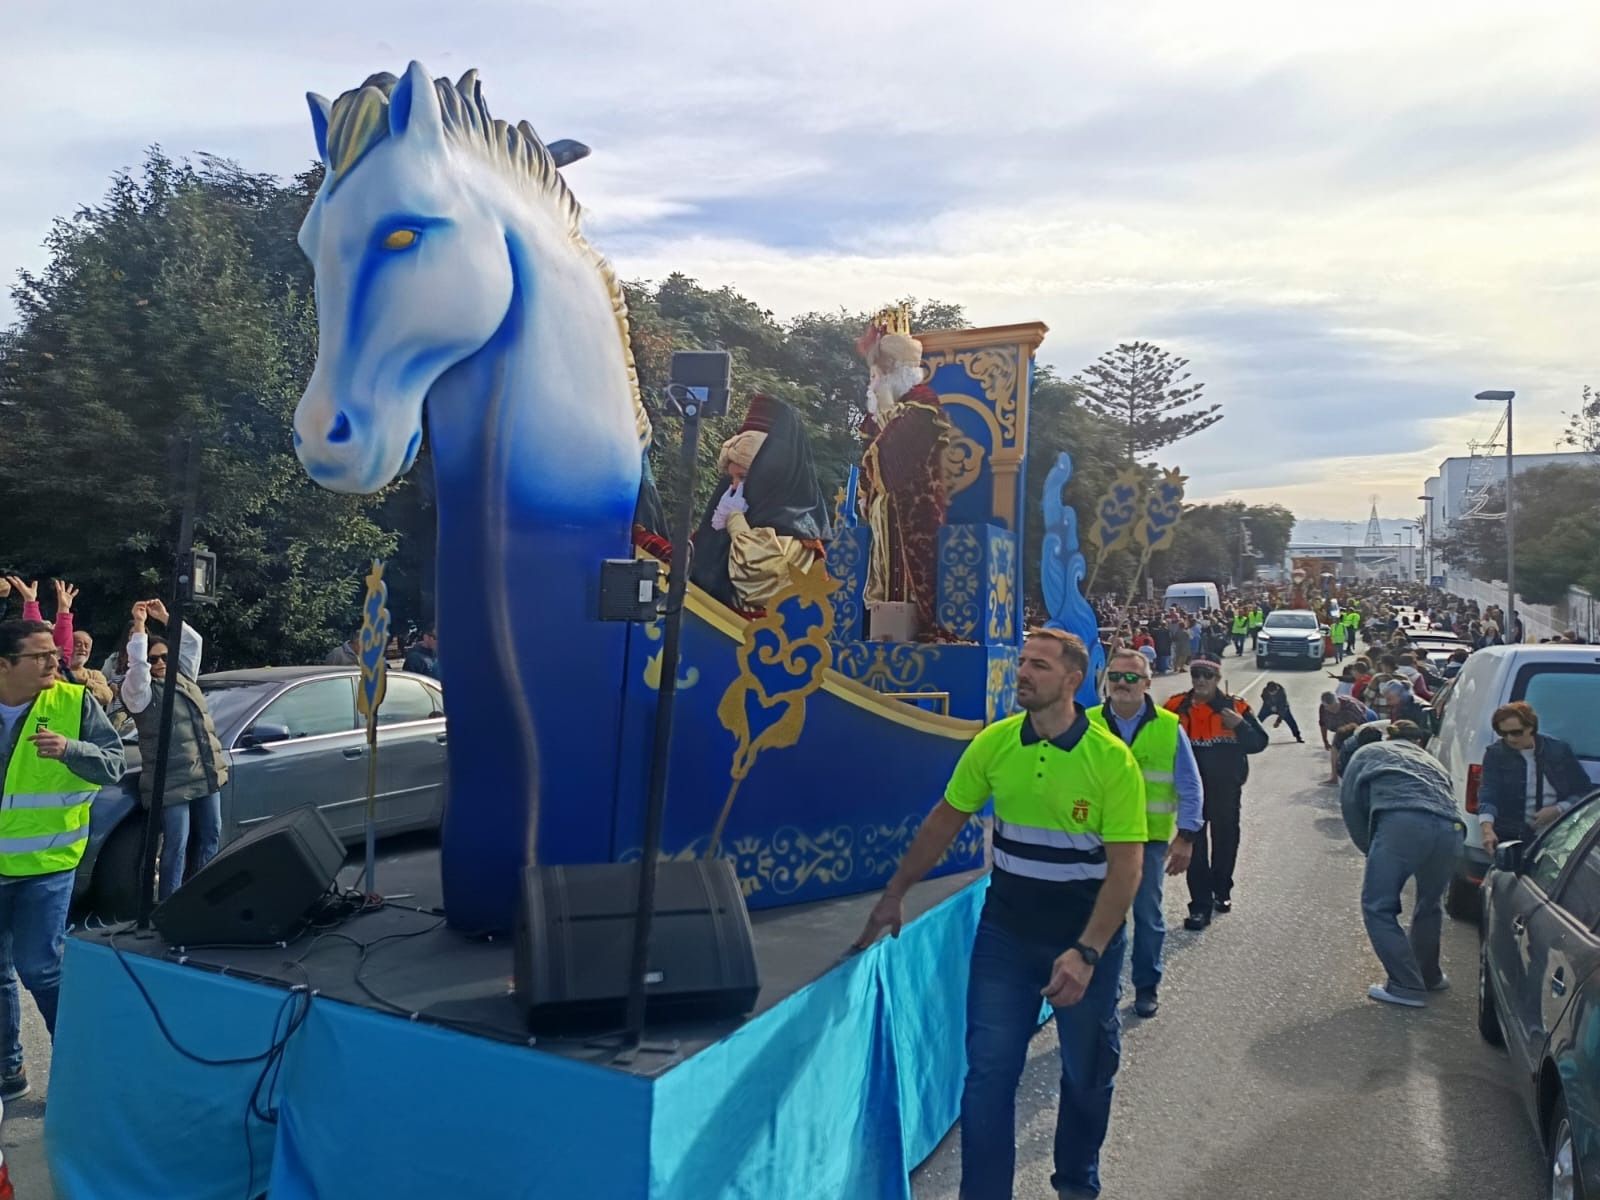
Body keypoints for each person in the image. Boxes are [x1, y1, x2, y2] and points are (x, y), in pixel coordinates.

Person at [853, 630, 1146, 1200]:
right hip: (1007, 933)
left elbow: (1126, 871)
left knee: (1086, 1074)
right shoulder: (995, 743)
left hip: (1086, 937)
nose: (1023, 673)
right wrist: (895, 893)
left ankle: (1076, 1185)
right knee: (987, 1079)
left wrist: (1087, 953)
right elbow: (944, 819)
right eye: (1022, 663)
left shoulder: (1111, 760)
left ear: (1072, 681)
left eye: (1038, 665)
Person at [0, 617, 124, 1099]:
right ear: (6, 664)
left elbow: (115, 764)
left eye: (54, 652)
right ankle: (9, 1070)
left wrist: (70, 750)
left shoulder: (73, 702)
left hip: (47, 867)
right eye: (40, 655)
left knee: (41, 967)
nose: (56, 660)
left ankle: (80, 1067)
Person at [1087, 649, 1203, 1018]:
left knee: (1147, 917)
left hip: (1146, 842)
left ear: (1147, 683)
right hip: (1093, 839)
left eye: (1132, 678)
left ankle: (1146, 986)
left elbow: (1190, 784)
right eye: (1116, 676)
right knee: (1099, 916)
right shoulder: (1086, 723)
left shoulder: (1169, 726)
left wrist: (1186, 835)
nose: (1122, 683)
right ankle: (1103, 987)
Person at [1339, 721, 1464, 1007]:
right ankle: (1429, 976)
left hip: (1402, 822)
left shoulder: (1366, 753)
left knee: (1378, 906)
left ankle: (1405, 986)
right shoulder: (1429, 760)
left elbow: (1351, 805)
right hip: (1451, 828)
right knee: (1430, 904)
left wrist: (1371, 851)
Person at [122, 600, 229, 900]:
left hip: (204, 772)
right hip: (170, 781)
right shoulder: (139, 693)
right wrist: (141, 626)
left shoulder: (183, 678)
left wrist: (167, 618)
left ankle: (201, 896)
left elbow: (194, 643)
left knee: (210, 834)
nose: (159, 663)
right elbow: (137, 670)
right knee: (175, 844)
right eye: (152, 659)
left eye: (164, 656)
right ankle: (170, 901)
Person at [855, 308, 951, 636]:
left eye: (878, 374)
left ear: (896, 372)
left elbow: (894, 457)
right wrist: (865, 494)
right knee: (881, 572)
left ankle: (903, 630)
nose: (873, 382)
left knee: (902, 577)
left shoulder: (924, 409)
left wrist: (884, 406)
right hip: (884, 510)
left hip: (912, 510)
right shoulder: (887, 412)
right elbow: (868, 462)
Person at [692, 395, 832, 612]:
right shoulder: (736, 504)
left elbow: (760, 577)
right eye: (732, 478)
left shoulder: (799, 530)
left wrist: (735, 520)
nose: (735, 488)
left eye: (744, 477)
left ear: (770, 476)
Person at [1166, 658, 1268, 930]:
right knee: (1195, 847)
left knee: (1225, 842)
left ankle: (1222, 890)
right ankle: (1199, 906)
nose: (1201, 680)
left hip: (1226, 789)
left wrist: (1239, 725)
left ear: (1217, 677)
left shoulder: (1236, 707)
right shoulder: (1175, 707)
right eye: (1197, 674)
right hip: (1191, 791)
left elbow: (1259, 742)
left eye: (1207, 675)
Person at [1476, 701, 1594, 855]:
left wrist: (1558, 809)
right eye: (1503, 733)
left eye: (1516, 732)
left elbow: (1584, 791)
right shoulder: (1496, 754)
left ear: (1531, 727)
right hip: (1511, 835)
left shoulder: (1558, 750)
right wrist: (1487, 830)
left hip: (1556, 835)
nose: (1510, 739)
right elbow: (1488, 794)